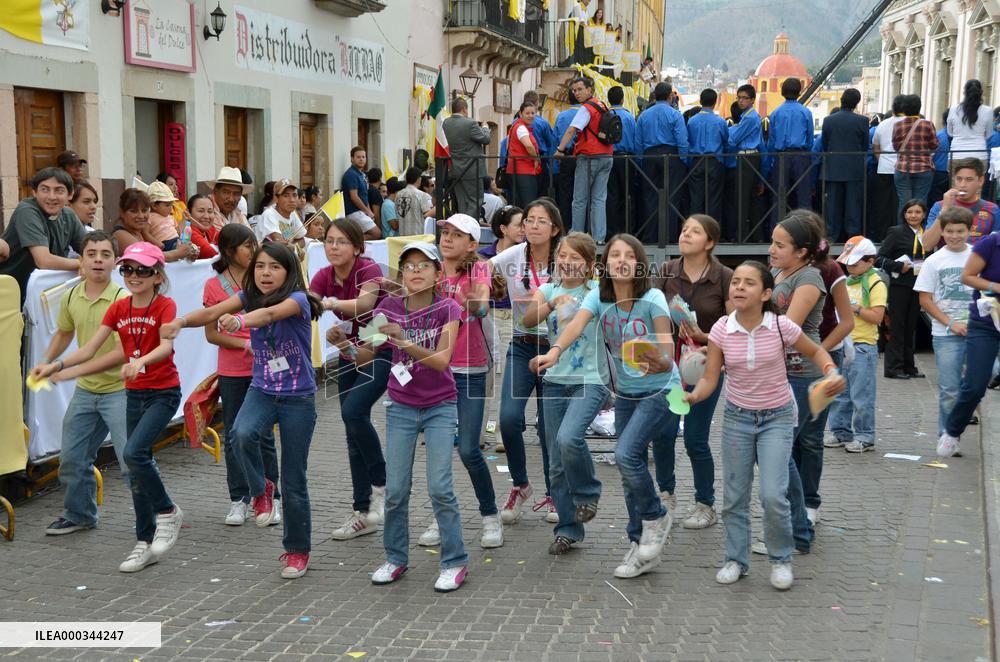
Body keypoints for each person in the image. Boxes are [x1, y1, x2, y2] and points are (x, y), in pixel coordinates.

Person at [162, 242, 323, 579]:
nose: (266, 273)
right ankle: (261, 489)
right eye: (260, 266)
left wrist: (239, 321)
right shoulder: (248, 295)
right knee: (240, 434)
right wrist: (180, 321)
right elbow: (211, 313)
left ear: (289, 272)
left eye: (275, 267)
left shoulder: (297, 300)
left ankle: (297, 550)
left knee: (294, 479)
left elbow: (268, 315)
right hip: (262, 390)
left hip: (297, 398)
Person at [686, 260, 843, 591]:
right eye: (736, 282)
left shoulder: (781, 326)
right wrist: (694, 396)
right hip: (737, 418)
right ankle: (735, 560)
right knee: (734, 496)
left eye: (749, 283)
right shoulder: (721, 329)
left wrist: (830, 371)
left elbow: (816, 351)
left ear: (765, 293)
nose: (739, 287)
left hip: (777, 418)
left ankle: (781, 559)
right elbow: (711, 377)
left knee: (773, 495)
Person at [535, 234, 677, 579]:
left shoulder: (653, 298)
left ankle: (656, 515)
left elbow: (667, 348)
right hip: (626, 393)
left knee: (626, 454)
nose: (621, 260)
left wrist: (659, 360)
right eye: (615, 255)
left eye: (629, 255)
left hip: (660, 390)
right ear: (606, 264)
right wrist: (554, 351)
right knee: (629, 471)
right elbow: (576, 324)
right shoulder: (600, 296)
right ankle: (638, 544)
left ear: (639, 264)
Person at [40, 242, 184, 572]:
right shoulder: (119, 309)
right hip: (133, 393)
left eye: (143, 270)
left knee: (133, 455)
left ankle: (167, 511)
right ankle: (144, 542)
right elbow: (89, 349)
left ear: (157, 276)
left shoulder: (165, 305)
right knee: (134, 464)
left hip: (162, 392)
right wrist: (57, 365)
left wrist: (139, 362)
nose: (134, 275)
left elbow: (165, 347)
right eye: (128, 269)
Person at [357, 242, 467, 593]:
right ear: (401, 273)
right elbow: (363, 355)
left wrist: (403, 341)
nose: (415, 272)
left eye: (423, 265)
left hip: (440, 405)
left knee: (440, 488)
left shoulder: (448, 308)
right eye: (408, 266)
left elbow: (441, 360)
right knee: (396, 490)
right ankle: (395, 558)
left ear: (437, 273)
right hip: (401, 406)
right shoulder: (388, 307)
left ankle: (455, 561)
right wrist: (343, 343)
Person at [31, 232, 128, 536]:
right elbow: (64, 332)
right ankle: (80, 515)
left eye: (105, 254)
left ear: (116, 262)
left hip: (121, 391)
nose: (98, 260)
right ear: (81, 261)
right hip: (86, 391)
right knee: (72, 459)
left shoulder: (122, 300)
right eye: (91, 254)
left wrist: (64, 368)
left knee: (132, 462)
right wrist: (46, 360)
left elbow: (120, 353)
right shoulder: (72, 295)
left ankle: (156, 515)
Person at [425, 214, 503, 549]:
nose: (447, 239)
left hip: (471, 369)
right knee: (439, 450)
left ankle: (490, 516)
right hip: (436, 370)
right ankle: (441, 518)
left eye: (457, 235)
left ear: (472, 244)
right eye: (445, 232)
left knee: (469, 449)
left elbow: (482, 301)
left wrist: (475, 303)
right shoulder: (431, 268)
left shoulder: (477, 269)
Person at [523, 232, 603, 554]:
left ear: (589, 264)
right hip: (554, 381)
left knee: (569, 439)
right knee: (555, 464)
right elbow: (527, 320)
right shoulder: (548, 289)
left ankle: (588, 492)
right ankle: (568, 529)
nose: (567, 262)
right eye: (563, 255)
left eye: (575, 257)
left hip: (590, 380)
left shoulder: (596, 291)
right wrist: (551, 304)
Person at [653, 215, 733, 529]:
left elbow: (734, 328)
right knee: (663, 433)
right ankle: (665, 496)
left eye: (695, 231)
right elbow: (650, 313)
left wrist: (704, 336)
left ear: (710, 242)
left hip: (705, 366)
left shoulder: (724, 276)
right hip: (669, 367)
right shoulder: (666, 271)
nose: (685, 234)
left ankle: (705, 504)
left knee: (696, 438)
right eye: (684, 229)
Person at [489, 199, 564, 524]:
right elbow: (480, 270)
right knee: (508, 419)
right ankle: (520, 486)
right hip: (521, 345)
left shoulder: (565, 258)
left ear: (555, 229)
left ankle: (555, 492)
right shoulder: (514, 256)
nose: (532, 226)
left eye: (540, 221)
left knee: (549, 428)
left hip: (557, 350)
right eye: (529, 220)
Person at [314, 218, 389, 540]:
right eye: (329, 240)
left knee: (353, 412)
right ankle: (362, 512)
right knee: (352, 427)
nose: (333, 247)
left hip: (383, 345)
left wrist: (328, 303)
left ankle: (383, 485)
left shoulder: (368, 269)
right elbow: (306, 302)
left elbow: (364, 304)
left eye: (342, 241)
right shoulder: (324, 275)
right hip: (350, 351)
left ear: (357, 247)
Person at [201, 224, 281, 526]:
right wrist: (245, 344)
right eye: (247, 245)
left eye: (253, 244)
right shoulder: (213, 285)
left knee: (263, 434)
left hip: (265, 368)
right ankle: (240, 498)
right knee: (234, 434)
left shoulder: (262, 279)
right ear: (229, 250)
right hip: (233, 370)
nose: (253, 250)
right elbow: (212, 334)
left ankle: (272, 496)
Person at [768, 214, 828, 537]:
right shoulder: (777, 273)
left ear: (802, 251)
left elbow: (787, 327)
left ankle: (800, 519)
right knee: (784, 448)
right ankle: (796, 516)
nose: (772, 249)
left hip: (804, 373)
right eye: (772, 242)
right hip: (779, 371)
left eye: (780, 245)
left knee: (789, 446)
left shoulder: (810, 277)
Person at [936, 218, 1000, 457]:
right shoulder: (991, 243)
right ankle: (952, 431)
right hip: (986, 323)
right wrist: (996, 286)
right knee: (974, 385)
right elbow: (968, 277)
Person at [914, 207, 974, 435]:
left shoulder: (979, 256)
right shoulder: (933, 261)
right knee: (949, 389)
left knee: (984, 379)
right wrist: (950, 323)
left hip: (979, 330)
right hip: (945, 334)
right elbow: (925, 300)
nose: (954, 236)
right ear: (942, 232)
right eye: (949, 231)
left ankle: (965, 413)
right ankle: (948, 435)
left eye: (960, 231)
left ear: (969, 231)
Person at [828, 236, 886, 453]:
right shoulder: (846, 281)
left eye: (854, 263)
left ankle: (865, 436)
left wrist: (855, 308)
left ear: (870, 262)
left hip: (863, 346)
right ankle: (840, 432)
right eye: (848, 262)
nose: (849, 266)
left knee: (861, 395)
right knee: (840, 394)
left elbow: (877, 317)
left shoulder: (875, 283)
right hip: (843, 344)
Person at [0, 167, 87, 304]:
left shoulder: (68, 215)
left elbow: (90, 248)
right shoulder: (27, 210)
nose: (51, 196)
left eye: (59, 190)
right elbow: (44, 260)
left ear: (70, 195)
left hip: (43, 293)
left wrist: (94, 257)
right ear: (34, 192)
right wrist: (81, 263)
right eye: (45, 189)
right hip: (10, 292)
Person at [554, 76, 614, 243]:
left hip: (589, 157)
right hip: (607, 155)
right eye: (574, 90)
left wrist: (560, 150)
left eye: (580, 89)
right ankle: (598, 238)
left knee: (579, 199)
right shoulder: (602, 105)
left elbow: (571, 130)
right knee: (599, 199)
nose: (577, 93)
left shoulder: (586, 108)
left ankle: (577, 235)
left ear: (589, 89)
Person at [876, 199, 929, 379]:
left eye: (917, 212)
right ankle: (894, 367)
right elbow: (879, 259)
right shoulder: (896, 232)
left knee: (910, 327)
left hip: (919, 285)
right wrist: (899, 267)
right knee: (897, 326)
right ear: (904, 214)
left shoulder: (927, 234)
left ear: (924, 214)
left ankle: (909, 366)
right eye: (909, 212)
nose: (913, 215)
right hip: (900, 285)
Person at [636, 82, 689, 243]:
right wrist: (684, 159)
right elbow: (682, 140)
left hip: (650, 156)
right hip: (671, 156)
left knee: (650, 198)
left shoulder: (644, 115)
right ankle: (670, 236)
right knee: (672, 197)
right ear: (670, 96)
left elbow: (638, 142)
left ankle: (650, 236)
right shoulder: (675, 114)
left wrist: (640, 160)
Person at [764, 78, 814, 232]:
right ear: (799, 92)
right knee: (803, 196)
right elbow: (810, 139)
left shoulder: (776, 113)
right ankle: (806, 231)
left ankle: (777, 231)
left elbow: (771, 140)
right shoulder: (805, 112)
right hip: (801, 155)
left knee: (779, 196)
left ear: (782, 92)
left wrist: (771, 159)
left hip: (781, 156)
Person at [820, 88, 870, 242]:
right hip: (855, 168)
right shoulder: (863, 121)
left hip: (833, 167)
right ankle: (853, 237)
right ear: (856, 103)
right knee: (853, 205)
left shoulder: (829, 120)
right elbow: (865, 145)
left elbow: (824, 144)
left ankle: (831, 236)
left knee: (832, 206)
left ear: (841, 100)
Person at [922, 158, 1000, 248]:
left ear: (980, 181)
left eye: (969, 179)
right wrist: (945, 210)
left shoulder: (992, 209)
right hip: (948, 257)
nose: (963, 185)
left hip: (979, 256)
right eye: (959, 179)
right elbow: (927, 245)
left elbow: (997, 245)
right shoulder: (940, 206)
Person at [111, 189, 197, 263]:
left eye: (144, 210)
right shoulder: (120, 234)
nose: (141, 216)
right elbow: (147, 256)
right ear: (122, 212)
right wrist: (177, 253)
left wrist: (187, 253)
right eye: (133, 211)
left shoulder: (143, 232)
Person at [443, 98, 492, 219]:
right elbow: (485, 139)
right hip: (472, 169)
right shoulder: (470, 123)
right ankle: (468, 227)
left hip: (456, 168)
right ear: (464, 109)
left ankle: (461, 225)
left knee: (462, 202)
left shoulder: (446, 123)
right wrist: (485, 128)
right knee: (475, 200)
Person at [892, 94, 939, 218]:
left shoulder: (898, 125)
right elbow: (934, 145)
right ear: (919, 107)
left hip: (903, 168)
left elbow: (896, 147)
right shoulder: (927, 124)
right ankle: (919, 229)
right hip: (924, 168)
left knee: (904, 203)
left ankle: (903, 228)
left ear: (904, 109)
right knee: (920, 202)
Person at [686, 89, 728, 224]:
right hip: (715, 162)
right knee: (714, 199)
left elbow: (688, 140)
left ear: (700, 100)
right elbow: (726, 141)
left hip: (696, 161)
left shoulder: (691, 121)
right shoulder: (720, 122)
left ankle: (695, 227)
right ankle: (712, 229)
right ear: (715, 103)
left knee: (695, 199)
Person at [728, 84, 764, 242]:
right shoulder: (749, 116)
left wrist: (732, 131)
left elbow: (733, 139)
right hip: (750, 158)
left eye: (744, 98)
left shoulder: (749, 117)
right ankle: (754, 235)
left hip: (747, 158)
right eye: (739, 98)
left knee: (742, 197)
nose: (741, 101)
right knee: (749, 197)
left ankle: (741, 235)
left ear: (752, 100)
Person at [606, 86, 638, 238]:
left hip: (608, 157)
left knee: (611, 195)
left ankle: (612, 230)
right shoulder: (629, 117)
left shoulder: (605, 116)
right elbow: (635, 139)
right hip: (626, 158)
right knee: (628, 194)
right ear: (622, 99)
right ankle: (627, 229)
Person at [871, 96, 904, 240]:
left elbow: (875, 146)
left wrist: (881, 160)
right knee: (900, 203)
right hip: (903, 168)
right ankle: (899, 233)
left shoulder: (883, 124)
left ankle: (882, 235)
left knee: (883, 204)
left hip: (884, 168)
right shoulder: (909, 123)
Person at [947, 79, 993, 166]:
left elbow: (949, 132)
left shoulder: (954, 109)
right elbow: (988, 135)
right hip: (979, 154)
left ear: (964, 92)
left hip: (956, 154)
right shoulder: (988, 111)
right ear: (981, 92)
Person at [506, 101, 543, 208]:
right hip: (523, 170)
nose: (530, 116)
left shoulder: (516, 126)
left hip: (516, 169)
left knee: (518, 203)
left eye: (533, 113)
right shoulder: (521, 128)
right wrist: (536, 158)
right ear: (520, 114)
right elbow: (528, 145)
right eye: (527, 113)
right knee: (528, 203)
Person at [552, 99, 581, 225]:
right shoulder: (586, 114)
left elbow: (554, 138)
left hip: (565, 156)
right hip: (581, 157)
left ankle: (565, 224)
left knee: (565, 193)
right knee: (582, 194)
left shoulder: (561, 116)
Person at [341, 147, 379, 239]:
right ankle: (349, 240)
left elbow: (364, 196)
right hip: (353, 212)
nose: (361, 159)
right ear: (352, 159)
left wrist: (369, 211)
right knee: (376, 233)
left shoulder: (362, 174)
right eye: (358, 157)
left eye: (363, 157)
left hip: (362, 211)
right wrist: (367, 211)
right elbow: (354, 197)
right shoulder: (351, 174)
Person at [256, 179, 305, 247]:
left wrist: (294, 247)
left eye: (294, 195)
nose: (292, 200)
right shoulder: (269, 214)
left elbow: (302, 240)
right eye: (286, 196)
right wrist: (295, 247)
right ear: (276, 198)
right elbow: (280, 244)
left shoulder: (293, 213)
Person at [396, 167, 435, 236]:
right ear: (418, 179)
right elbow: (427, 216)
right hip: (417, 236)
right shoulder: (421, 195)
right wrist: (436, 209)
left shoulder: (398, 194)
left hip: (402, 236)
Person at [146, 182, 181, 252]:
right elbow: (145, 233)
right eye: (167, 205)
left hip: (176, 241)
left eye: (171, 205)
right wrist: (157, 243)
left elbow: (178, 231)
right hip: (165, 244)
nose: (170, 208)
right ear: (154, 206)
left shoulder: (171, 217)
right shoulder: (150, 217)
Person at [183, 194, 220, 259]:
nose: (206, 216)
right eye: (201, 211)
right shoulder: (188, 233)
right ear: (188, 213)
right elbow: (214, 255)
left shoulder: (211, 229)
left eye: (210, 211)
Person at [931, 110, 953, 205]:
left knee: (937, 199)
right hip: (953, 171)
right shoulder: (959, 136)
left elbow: (931, 154)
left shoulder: (938, 135)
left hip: (939, 171)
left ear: (943, 121)